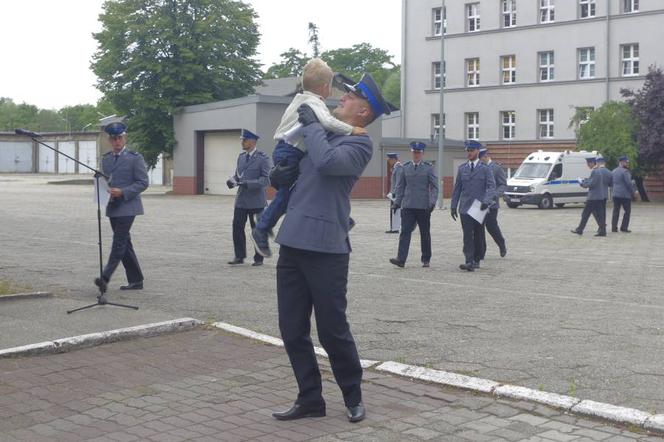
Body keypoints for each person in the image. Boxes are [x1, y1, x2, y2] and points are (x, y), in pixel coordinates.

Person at [271, 73, 391, 424]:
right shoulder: (322, 132)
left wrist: (310, 124)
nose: (341, 98)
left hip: (327, 249)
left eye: (350, 96)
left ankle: (353, 394)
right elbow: (298, 171)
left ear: (364, 112)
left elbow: (326, 163)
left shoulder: (359, 144)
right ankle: (310, 398)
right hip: (293, 241)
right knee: (292, 328)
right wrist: (277, 175)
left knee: (332, 328)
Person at [251, 58, 366, 258]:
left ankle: (340, 220)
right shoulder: (315, 105)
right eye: (331, 86)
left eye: (350, 96)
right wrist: (352, 130)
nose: (340, 96)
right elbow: (329, 123)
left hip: (287, 149)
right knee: (287, 193)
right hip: (292, 151)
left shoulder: (299, 100)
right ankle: (262, 228)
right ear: (325, 87)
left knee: (298, 188)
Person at [94, 122, 149, 292]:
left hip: (128, 206)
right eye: (114, 139)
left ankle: (105, 277)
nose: (117, 141)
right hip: (113, 207)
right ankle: (136, 280)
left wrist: (124, 192)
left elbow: (143, 182)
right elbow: (106, 181)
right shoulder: (107, 159)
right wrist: (98, 180)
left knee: (118, 242)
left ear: (125, 138)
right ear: (110, 140)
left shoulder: (135, 158)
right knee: (125, 244)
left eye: (120, 138)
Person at [389, 142, 438, 268]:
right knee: (405, 231)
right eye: (414, 152)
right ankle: (401, 258)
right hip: (408, 205)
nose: (416, 155)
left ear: (422, 153)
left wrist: (432, 202)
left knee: (425, 233)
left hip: (423, 206)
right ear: (411, 152)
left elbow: (434, 187)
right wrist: (397, 203)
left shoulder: (428, 168)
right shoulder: (405, 167)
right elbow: (400, 187)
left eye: (418, 153)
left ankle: (426, 258)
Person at [226, 129, 271, 266]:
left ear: (252, 141)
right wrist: (231, 181)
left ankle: (259, 258)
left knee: (257, 230)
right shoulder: (241, 157)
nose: (242, 142)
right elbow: (238, 175)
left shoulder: (263, 158)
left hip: (256, 201)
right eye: (242, 140)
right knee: (237, 228)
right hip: (241, 200)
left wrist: (247, 184)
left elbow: (265, 180)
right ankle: (239, 256)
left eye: (244, 140)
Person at [450, 140, 496, 271]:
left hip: (478, 206)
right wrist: (453, 206)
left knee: (478, 234)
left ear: (477, 151)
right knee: (467, 234)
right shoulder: (462, 168)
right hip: (465, 207)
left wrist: (486, 201)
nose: (469, 153)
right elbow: (457, 188)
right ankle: (469, 260)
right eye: (467, 151)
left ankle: (477, 258)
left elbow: (491, 187)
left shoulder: (485, 169)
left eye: (471, 150)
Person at [478, 147, 507, 259]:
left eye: (481, 158)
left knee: (491, 226)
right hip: (479, 203)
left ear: (485, 156)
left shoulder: (496, 168)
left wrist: (494, 194)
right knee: (478, 228)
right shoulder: (478, 168)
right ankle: (481, 252)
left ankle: (501, 243)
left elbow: (503, 184)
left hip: (491, 204)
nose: (479, 161)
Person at [571, 156, 611, 237]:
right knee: (600, 215)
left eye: (588, 163)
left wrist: (582, 184)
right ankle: (602, 231)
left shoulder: (595, 171)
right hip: (599, 197)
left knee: (585, 214)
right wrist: (584, 181)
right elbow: (590, 180)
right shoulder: (597, 171)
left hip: (593, 197)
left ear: (592, 163)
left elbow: (592, 184)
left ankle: (580, 229)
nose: (587, 165)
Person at [611, 155, 638, 232]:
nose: (627, 164)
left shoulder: (613, 171)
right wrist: (633, 192)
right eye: (626, 162)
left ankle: (614, 228)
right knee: (627, 211)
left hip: (615, 194)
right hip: (624, 195)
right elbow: (629, 183)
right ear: (621, 162)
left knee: (616, 211)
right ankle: (624, 228)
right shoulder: (625, 171)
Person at [385, 152, 403, 234]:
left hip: (396, 194)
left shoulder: (399, 167)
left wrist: (395, 193)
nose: (388, 161)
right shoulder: (395, 167)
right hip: (393, 194)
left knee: (396, 211)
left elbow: (399, 182)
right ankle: (393, 228)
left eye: (389, 159)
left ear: (394, 159)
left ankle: (395, 228)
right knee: (393, 211)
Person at [596, 156, 613, 235]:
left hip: (596, 195)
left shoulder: (596, 171)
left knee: (597, 212)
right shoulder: (609, 172)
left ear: (598, 163)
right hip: (605, 194)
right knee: (603, 212)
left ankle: (601, 228)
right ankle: (602, 227)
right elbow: (611, 184)